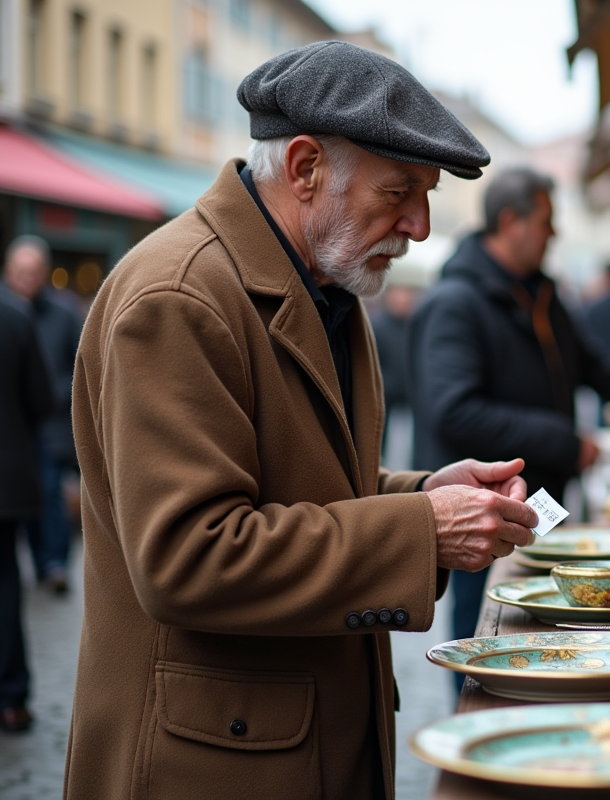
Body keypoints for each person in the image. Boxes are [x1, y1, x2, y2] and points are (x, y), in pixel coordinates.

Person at [65, 42, 540, 800]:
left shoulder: (324, 283)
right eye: (400, 192)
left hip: (286, 740)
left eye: (427, 196)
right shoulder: (180, 297)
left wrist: (423, 490)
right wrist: (422, 528)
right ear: (306, 166)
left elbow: (296, 479)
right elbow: (191, 555)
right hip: (212, 762)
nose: (418, 225)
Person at [408, 167, 610, 651]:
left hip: (543, 501)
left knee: (539, 624)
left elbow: (593, 366)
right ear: (512, 221)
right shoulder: (455, 302)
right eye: (546, 222)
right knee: (483, 631)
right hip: (482, 506)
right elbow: (455, 410)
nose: (554, 234)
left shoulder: (543, 293)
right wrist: (565, 442)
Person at [2, 235, 83, 594]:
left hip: (49, 424)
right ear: (8, 272)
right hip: (13, 428)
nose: (26, 278)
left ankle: (52, 564)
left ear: (44, 273)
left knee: (49, 492)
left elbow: (81, 366)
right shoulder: (8, 313)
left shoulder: (64, 313)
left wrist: (55, 392)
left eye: (33, 272)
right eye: (20, 271)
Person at [0, 298, 54, 732]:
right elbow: (41, 400)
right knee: (4, 582)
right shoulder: (15, 318)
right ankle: (10, 698)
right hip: (7, 476)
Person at [370, 274, 419, 468]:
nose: (403, 298)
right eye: (399, 293)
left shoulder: (415, 325)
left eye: (408, 293)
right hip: (385, 400)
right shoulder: (377, 325)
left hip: (411, 399)